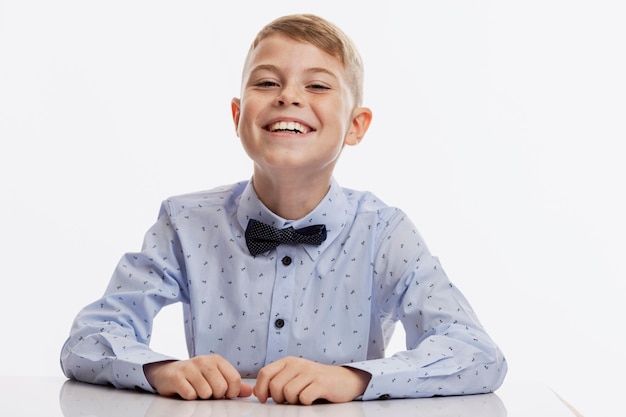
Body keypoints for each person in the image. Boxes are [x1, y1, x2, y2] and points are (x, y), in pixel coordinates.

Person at [60, 13, 507, 405]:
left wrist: (353, 378)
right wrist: (161, 370)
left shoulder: (384, 232)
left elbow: (476, 353)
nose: (288, 96)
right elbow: (88, 338)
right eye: (267, 82)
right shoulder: (185, 223)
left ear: (356, 126)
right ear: (237, 116)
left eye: (316, 85)